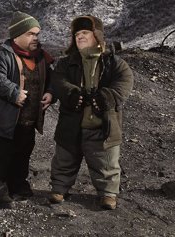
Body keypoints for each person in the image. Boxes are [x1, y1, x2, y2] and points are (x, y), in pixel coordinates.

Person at [48, 15, 133, 210]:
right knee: (64, 159)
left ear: (97, 35)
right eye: (77, 34)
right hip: (72, 122)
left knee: (106, 163)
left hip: (103, 124)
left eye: (85, 32)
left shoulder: (114, 63)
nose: (80, 37)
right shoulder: (66, 63)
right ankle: (59, 189)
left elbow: (125, 81)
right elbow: (58, 80)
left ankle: (108, 194)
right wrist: (70, 92)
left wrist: (107, 96)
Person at [0, 11, 55, 208]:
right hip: (1, 121)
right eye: (31, 34)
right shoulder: (1, 55)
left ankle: (17, 185)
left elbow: (52, 79)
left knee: (21, 155)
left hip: (27, 121)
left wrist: (51, 93)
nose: (36, 38)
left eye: (37, 34)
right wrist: (14, 93)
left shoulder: (40, 58)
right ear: (17, 35)